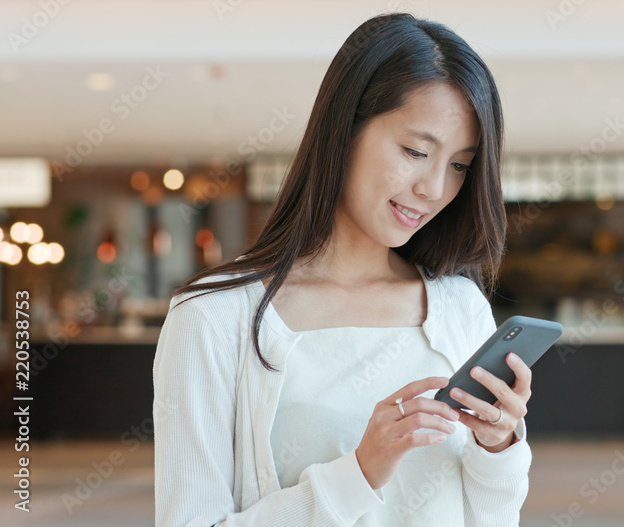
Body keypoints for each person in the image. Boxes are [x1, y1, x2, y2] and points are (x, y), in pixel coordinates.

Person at [152, 12, 533, 526]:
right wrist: (357, 474)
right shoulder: (215, 317)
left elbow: (492, 518)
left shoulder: (458, 308)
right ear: (344, 129)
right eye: (416, 151)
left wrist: (497, 445)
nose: (435, 188)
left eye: (460, 165)